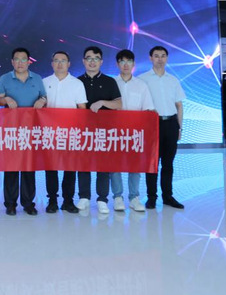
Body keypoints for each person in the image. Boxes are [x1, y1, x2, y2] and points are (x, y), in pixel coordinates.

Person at [0, 47, 46, 216]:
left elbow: (44, 97)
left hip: (31, 130)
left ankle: (28, 203)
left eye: (23, 59)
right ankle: (10, 203)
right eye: (16, 59)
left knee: (29, 167)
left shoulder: (37, 78)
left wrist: (42, 100)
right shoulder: (5, 78)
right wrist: (5, 99)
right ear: (12, 62)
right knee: (11, 166)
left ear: (28, 61)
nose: (20, 63)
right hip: (11, 130)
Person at [139, 46, 186, 210]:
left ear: (167, 58)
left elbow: (179, 105)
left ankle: (168, 196)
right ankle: (151, 197)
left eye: (163, 56)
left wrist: (180, 128)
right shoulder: (142, 80)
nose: (160, 59)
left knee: (168, 163)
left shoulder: (173, 80)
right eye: (156, 56)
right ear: (150, 58)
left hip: (171, 123)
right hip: (152, 124)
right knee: (152, 164)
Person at [77, 46, 122, 215]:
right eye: (89, 58)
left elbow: (119, 104)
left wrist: (103, 102)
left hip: (104, 131)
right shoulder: (76, 82)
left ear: (101, 62)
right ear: (83, 61)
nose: (92, 62)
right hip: (82, 131)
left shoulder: (110, 81)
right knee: (83, 163)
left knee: (103, 165)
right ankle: (84, 197)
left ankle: (102, 199)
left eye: (96, 58)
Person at [43, 51, 87, 214]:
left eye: (63, 61)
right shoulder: (44, 82)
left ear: (69, 64)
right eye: (56, 60)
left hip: (71, 133)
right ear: (52, 64)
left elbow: (82, 108)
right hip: (50, 133)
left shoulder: (77, 84)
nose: (60, 64)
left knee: (70, 168)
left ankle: (68, 200)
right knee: (51, 168)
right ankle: (52, 200)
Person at [112, 49, 155, 212]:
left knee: (135, 165)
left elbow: (148, 109)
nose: (125, 65)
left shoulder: (141, 85)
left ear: (134, 64)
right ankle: (117, 197)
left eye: (129, 61)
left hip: (135, 132)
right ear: (117, 64)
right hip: (115, 132)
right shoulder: (111, 83)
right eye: (122, 61)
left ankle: (134, 197)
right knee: (114, 165)